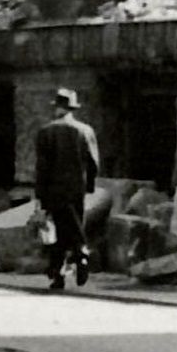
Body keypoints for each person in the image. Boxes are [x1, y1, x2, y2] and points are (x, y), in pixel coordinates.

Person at [31, 86, 100, 292]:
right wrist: (89, 186)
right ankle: (79, 257)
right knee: (75, 223)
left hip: (53, 190)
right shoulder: (85, 131)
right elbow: (94, 163)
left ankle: (60, 271)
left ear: (57, 108)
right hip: (76, 188)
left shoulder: (46, 132)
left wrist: (39, 196)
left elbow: (41, 167)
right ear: (72, 109)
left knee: (57, 231)